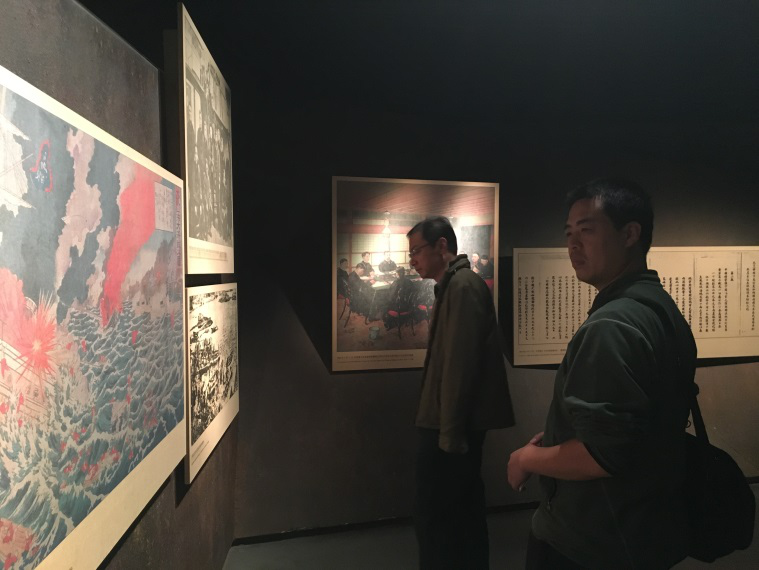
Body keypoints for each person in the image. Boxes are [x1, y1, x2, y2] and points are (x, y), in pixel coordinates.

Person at [507, 179, 697, 569]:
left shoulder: (611, 325)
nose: (573, 245)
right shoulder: (658, 307)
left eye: (587, 230)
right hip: (642, 528)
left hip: (592, 539)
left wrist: (527, 458)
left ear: (630, 234)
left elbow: (602, 455)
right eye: (569, 233)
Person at [407, 216, 514, 570]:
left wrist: (450, 435)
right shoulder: (455, 285)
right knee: (455, 514)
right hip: (445, 424)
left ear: (441, 246)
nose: (412, 260)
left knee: (442, 517)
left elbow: (459, 364)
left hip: (448, 428)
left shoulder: (463, 286)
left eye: (417, 250)